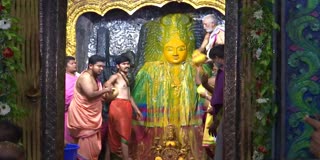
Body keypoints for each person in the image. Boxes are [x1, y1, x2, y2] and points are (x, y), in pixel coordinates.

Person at [132, 14, 204, 159]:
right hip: (158, 122)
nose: (176, 53)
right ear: (161, 48)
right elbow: (139, 101)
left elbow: (204, 96)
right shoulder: (148, 70)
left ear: (188, 47)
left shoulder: (194, 68)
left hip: (186, 120)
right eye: (170, 48)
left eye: (181, 48)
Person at [67, 55, 111, 160]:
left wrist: (104, 95)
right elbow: (90, 94)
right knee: (85, 150)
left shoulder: (95, 79)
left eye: (103, 67)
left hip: (91, 118)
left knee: (93, 149)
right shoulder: (85, 77)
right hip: (83, 117)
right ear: (91, 66)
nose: (101, 69)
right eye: (99, 66)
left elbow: (96, 96)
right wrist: (105, 90)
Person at [104, 55, 142, 160]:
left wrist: (137, 110)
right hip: (118, 106)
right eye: (123, 64)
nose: (126, 66)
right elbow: (106, 84)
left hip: (126, 105)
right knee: (124, 134)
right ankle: (126, 158)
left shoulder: (126, 78)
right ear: (117, 66)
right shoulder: (116, 76)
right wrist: (110, 90)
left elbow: (129, 96)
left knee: (115, 133)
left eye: (127, 63)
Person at [201, 45, 224, 160]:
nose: (214, 64)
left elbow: (224, 100)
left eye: (214, 60)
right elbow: (217, 94)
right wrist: (205, 84)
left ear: (218, 57)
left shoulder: (228, 73)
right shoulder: (221, 72)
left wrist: (217, 121)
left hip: (223, 116)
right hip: (218, 116)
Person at [64, 56, 79, 144]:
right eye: (72, 63)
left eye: (75, 63)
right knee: (68, 135)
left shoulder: (79, 78)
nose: (75, 65)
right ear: (65, 66)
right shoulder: (64, 78)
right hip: (68, 111)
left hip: (79, 111)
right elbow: (66, 95)